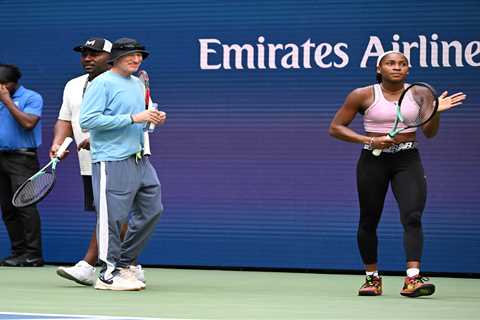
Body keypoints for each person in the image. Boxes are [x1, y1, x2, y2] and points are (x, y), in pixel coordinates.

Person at [328, 51, 466, 298]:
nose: (397, 67)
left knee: (412, 216)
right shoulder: (362, 94)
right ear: (379, 68)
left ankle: (413, 280)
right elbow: (335, 128)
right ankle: (372, 279)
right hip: (372, 161)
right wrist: (370, 140)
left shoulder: (421, 93)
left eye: (402, 64)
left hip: (407, 159)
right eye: (391, 63)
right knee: (369, 219)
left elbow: (429, 133)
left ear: (408, 70)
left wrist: (435, 112)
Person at [51, 38, 145, 286]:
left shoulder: (133, 82)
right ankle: (117, 264)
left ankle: (105, 265)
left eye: (94, 54)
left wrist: (97, 137)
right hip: (89, 160)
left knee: (116, 213)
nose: (87, 59)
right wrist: (58, 143)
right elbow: (65, 119)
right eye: (84, 54)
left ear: (111, 56)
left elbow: (138, 118)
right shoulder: (72, 85)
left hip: (120, 156)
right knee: (105, 213)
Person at [80, 37, 166, 291]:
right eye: (131, 56)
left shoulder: (137, 85)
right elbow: (89, 120)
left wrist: (151, 119)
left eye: (140, 56)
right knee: (112, 219)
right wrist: (133, 117)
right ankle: (107, 274)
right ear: (115, 58)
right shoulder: (101, 83)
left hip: (139, 159)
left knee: (153, 210)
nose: (137, 60)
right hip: (111, 160)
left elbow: (138, 122)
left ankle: (124, 264)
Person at [0, 64, 44, 267]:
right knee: (7, 208)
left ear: (14, 83)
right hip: (1, 158)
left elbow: (28, 123)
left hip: (22, 159)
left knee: (25, 206)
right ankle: (18, 253)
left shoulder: (32, 98)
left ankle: (33, 254)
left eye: (3, 84)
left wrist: (8, 101)